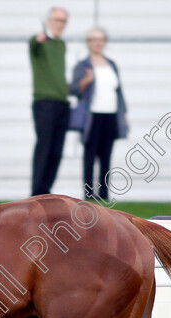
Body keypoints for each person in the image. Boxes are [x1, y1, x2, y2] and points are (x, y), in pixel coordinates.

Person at [69, 27, 128, 201]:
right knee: (89, 158)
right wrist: (87, 80)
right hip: (92, 117)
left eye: (101, 39)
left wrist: (124, 115)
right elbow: (73, 89)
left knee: (106, 157)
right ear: (88, 42)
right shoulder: (83, 65)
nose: (98, 42)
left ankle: (104, 194)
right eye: (94, 39)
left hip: (110, 116)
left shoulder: (112, 64)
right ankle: (88, 194)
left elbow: (119, 92)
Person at [29, 7, 70, 196]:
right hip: (45, 103)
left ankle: (46, 190)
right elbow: (34, 45)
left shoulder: (61, 45)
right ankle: (37, 191)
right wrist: (40, 38)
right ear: (49, 20)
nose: (60, 24)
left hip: (63, 104)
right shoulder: (39, 42)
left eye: (64, 21)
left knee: (57, 150)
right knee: (44, 146)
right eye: (57, 20)